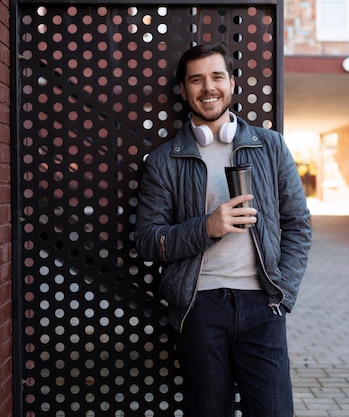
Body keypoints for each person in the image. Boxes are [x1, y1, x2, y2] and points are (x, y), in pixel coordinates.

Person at [134, 43, 312, 417]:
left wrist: (284, 294)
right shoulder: (164, 160)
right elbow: (149, 241)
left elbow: (298, 224)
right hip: (199, 308)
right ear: (183, 90)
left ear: (232, 83)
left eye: (216, 77)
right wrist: (207, 227)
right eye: (195, 80)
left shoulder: (270, 146)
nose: (207, 87)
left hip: (263, 305)